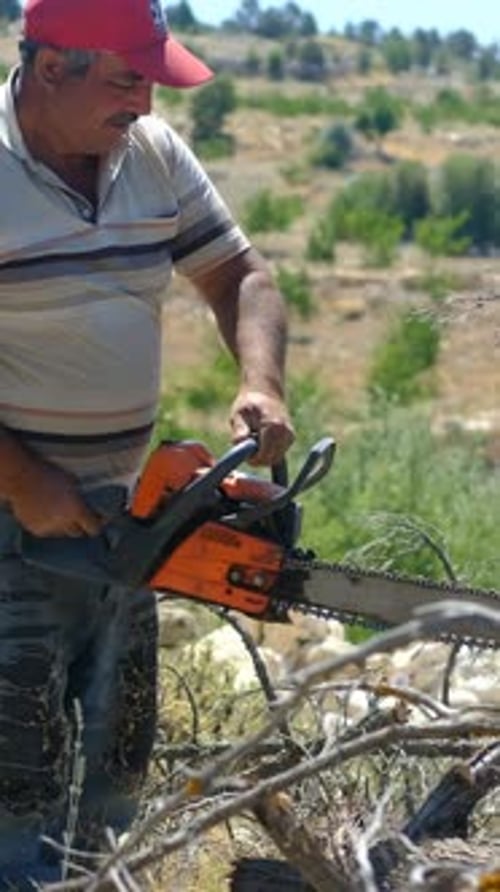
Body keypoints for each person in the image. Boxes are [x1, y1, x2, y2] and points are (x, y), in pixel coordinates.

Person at [0, 0, 295, 884]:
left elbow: (242, 275)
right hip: (11, 524)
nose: (145, 105)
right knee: (17, 781)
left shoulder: (153, 156)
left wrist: (261, 382)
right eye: (128, 80)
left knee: (117, 760)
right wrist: (19, 479)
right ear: (52, 68)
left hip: (124, 518)